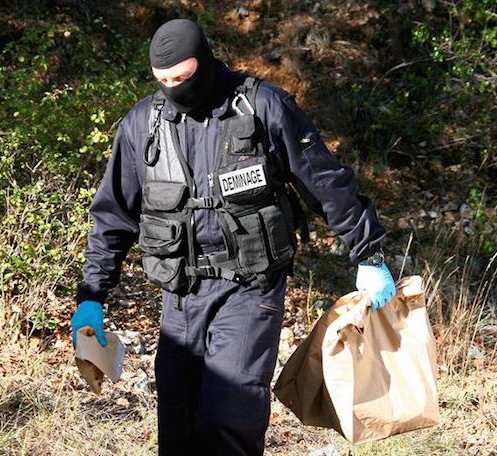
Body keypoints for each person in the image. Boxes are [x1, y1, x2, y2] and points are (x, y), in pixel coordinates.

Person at [70, 18, 396, 456]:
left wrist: (368, 254)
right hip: (181, 295)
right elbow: (113, 217)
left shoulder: (263, 107)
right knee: (178, 423)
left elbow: (324, 181)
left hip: (249, 290)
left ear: (203, 64)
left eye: (182, 78)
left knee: (230, 417)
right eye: (163, 81)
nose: (173, 90)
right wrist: (92, 295)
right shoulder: (142, 126)